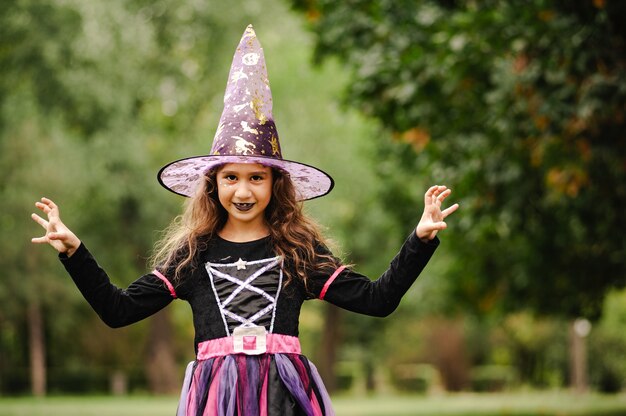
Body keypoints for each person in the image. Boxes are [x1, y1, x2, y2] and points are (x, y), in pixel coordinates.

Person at [31, 25, 458, 416]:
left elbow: (377, 300)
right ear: (213, 184)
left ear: (276, 185)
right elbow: (117, 310)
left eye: (257, 177)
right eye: (231, 177)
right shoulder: (192, 257)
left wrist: (419, 240)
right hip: (215, 400)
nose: (243, 190)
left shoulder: (298, 254)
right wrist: (74, 253)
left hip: (283, 397)